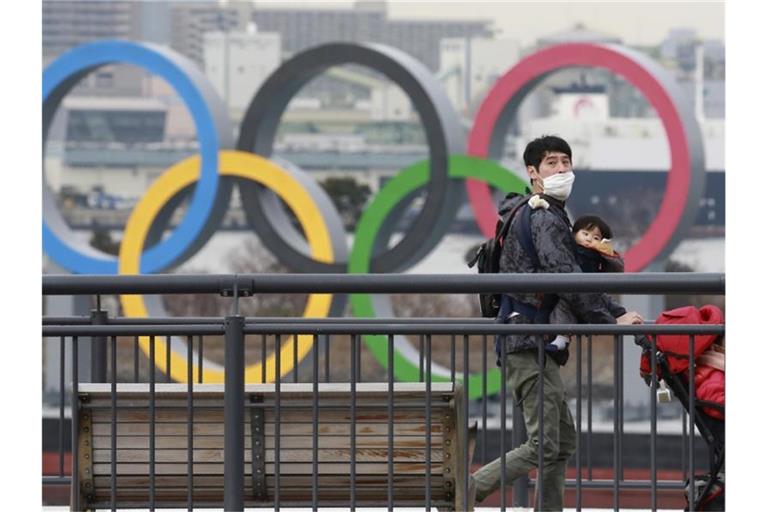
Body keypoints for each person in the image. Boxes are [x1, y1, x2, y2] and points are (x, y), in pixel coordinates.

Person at [470, 135, 643, 510]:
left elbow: (568, 279)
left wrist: (611, 313)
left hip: (530, 338)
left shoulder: (530, 211)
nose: (562, 169)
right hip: (527, 340)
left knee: (561, 442)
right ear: (533, 172)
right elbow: (567, 278)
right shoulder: (544, 217)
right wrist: (611, 318)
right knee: (545, 443)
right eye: (552, 163)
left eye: (566, 161)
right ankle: (465, 492)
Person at [547, 214, 625, 352]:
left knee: (610, 304)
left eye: (596, 238)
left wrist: (607, 252)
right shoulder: (569, 249)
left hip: (595, 292)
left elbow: (618, 268)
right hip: (574, 291)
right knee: (562, 308)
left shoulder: (599, 255)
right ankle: (562, 337)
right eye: (585, 233)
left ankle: (623, 316)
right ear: (575, 233)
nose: (589, 239)